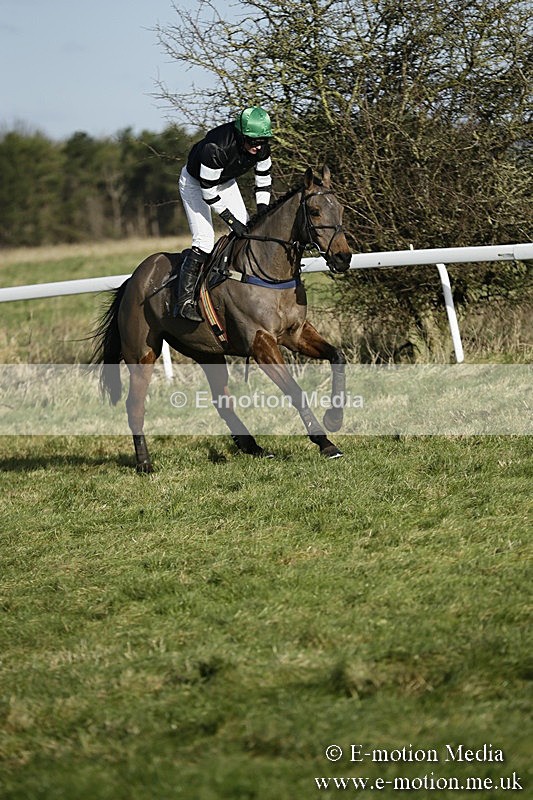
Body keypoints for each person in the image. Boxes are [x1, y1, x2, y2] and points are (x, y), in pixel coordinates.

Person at [174, 106, 273, 321]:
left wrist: (263, 210)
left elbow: (263, 179)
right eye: (252, 142)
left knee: (247, 233)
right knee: (205, 241)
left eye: (261, 141)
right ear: (240, 135)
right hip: (195, 184)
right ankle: (184, 302)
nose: (257, 147)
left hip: (225, 182)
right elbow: (208, 193)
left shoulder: (262, 146)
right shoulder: (215, 148)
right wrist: (231, 220)